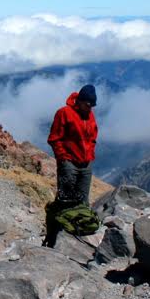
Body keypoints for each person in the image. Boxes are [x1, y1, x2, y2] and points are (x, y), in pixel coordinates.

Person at [43, 84, 98, 246]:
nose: (90, 108)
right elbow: (54, 138)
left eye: (92, 105)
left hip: (86, 164)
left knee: (82, 202)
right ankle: (54, 237)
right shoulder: (64, 113)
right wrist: (63, 159)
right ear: (80, 101)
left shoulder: (90, 115)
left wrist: (91, 152)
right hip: (69, 164)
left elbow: (93, 136)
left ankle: (75, 237)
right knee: (65, 201)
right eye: (88, 104)